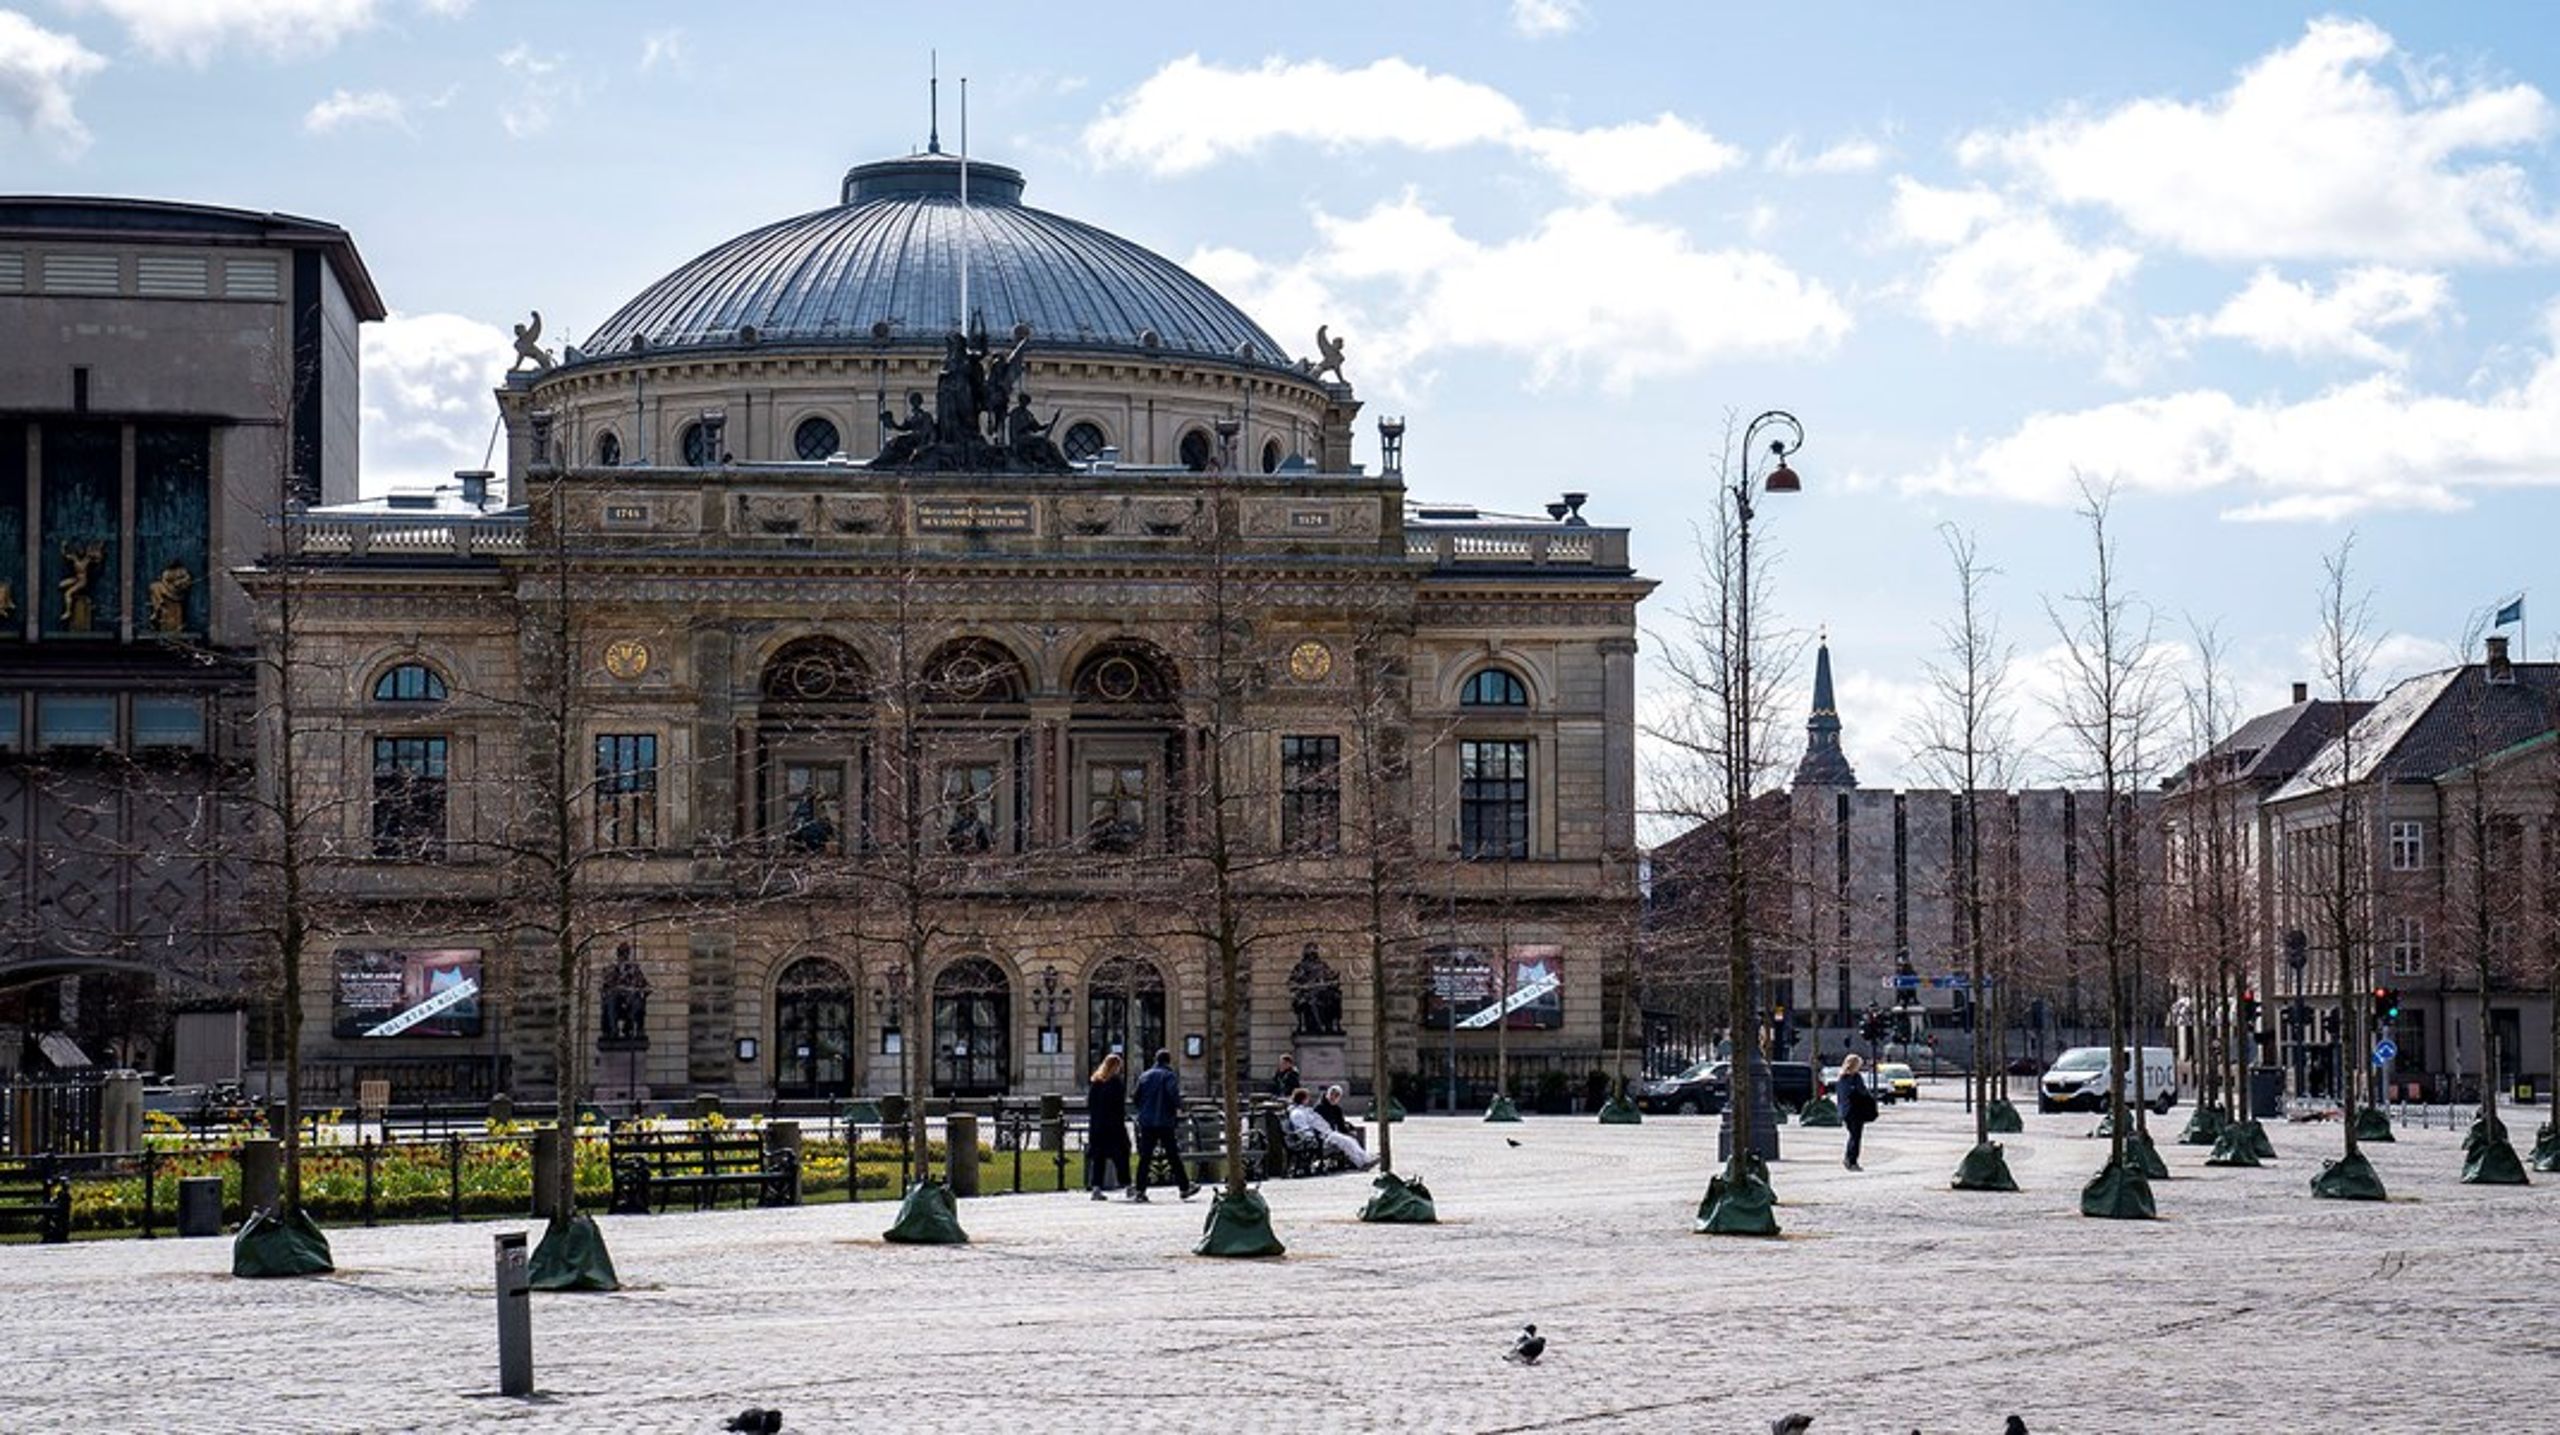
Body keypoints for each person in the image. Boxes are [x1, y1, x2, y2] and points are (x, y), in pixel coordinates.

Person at [1130, 1047, 1196, 1201]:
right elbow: (1172, 1094)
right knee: (1173, 1155)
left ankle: (1140, 1190)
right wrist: (1179, 1107)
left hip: (1147, 1122)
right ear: (1168, 1061)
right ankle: (1184, 1188)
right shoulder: (1168, 1075)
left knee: (1145, 1157)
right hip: (1164, 1121)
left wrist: (1144, 1110)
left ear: (1155, 1059)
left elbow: (1136, 1097)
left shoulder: (1144, 1075)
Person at [1286, 1087, 1374, 1170]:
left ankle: (1366, 1160)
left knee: (1351, 1141)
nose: (1309, 1100)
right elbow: (1303, 1128)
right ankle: (1361, 1163)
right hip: (1320, 1136)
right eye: (1307, 1098)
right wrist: (1315, 1136)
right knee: (1345, 1142)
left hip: (1326, 1133)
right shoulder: (1297, 1113)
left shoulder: (1305, 1110)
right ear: (1303, 1099)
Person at [1086, 1052, 1131, 1200]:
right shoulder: (1116, 1083)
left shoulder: (1096, 1082)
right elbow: (1119, 1107)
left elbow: (1090, 1104)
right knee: (1122, 1156)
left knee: (1099, 1158)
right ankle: (1127, 1185)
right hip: (1114, 1126)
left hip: (1098, 1126)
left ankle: (1096, 1188)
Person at [1837, 1052, 1877, 1171]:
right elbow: (1862, 1092)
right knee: (1856, 1137)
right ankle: (1851, 1161)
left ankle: (1849, 1159)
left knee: (1852, 1136)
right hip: (1855, 1111)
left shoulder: (1841, 1078)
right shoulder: (1855, 1077)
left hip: (1845, 1111)